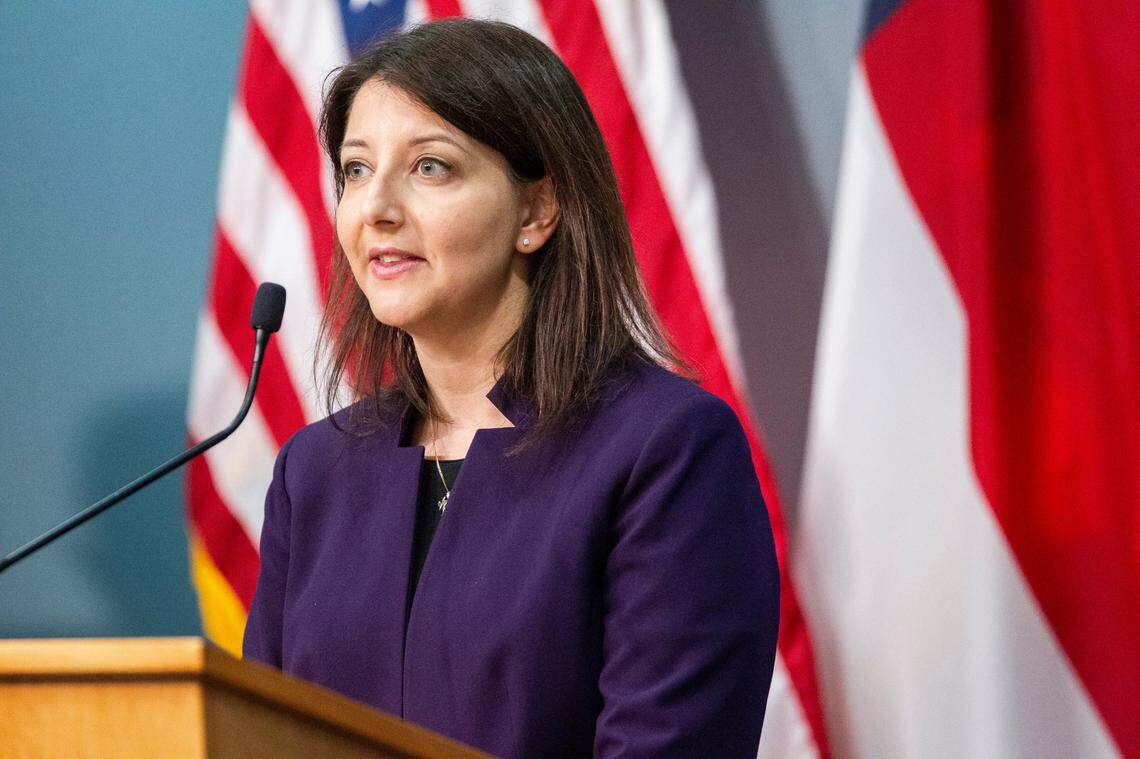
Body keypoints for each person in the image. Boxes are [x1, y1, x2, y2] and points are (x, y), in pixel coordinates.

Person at [242, 18, 779, 758]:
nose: (376, 209)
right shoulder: (314, 473)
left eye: (431, 167)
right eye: (356, 170)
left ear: (537, 211)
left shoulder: (665, 450)